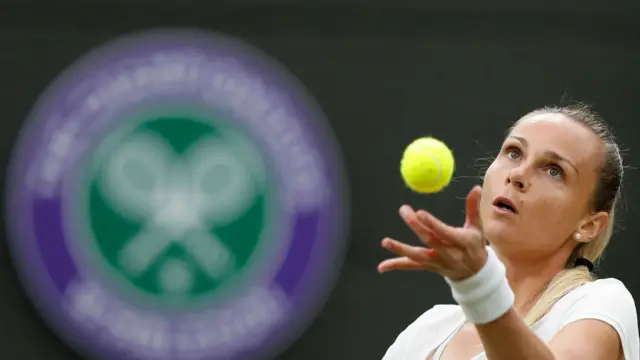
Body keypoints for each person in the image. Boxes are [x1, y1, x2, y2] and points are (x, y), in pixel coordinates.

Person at [378, 103, 639, 360]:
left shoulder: (601, 302)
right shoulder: (427, 331)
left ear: (588, 225)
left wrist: (479, 285)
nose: (517, 174)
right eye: (514, 153)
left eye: (554, 171)